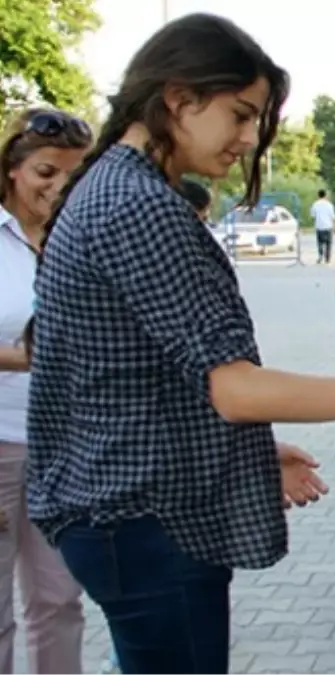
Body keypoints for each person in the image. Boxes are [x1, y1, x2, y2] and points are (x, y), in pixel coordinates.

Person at [23, 14, 335, 674]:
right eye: (240, 115)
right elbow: (234, 387)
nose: (247, 139)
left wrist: (247, 450)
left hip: (133, 509)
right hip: (144, 518)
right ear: (179, 97)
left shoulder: (117, 190)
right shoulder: (135, 202)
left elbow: (132, 377)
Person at [0, 107, 91, 675]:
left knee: (59, 600)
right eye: (45, 173)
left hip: (63, 447)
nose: (58, 188)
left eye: (70, 176)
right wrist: (38, 355)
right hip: (1, 442)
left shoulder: (76, 238)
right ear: (12, 170)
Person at [310, 188, 335, 264]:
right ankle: (327, 258)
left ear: (318, 195)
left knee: (320, 243)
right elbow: (333, 217)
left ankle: (320, 256)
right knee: (328, 243)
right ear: (325, 195)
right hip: (328, 226)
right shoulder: (329, 205)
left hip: (319, 226)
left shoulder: (315, 204)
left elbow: (313, 216)